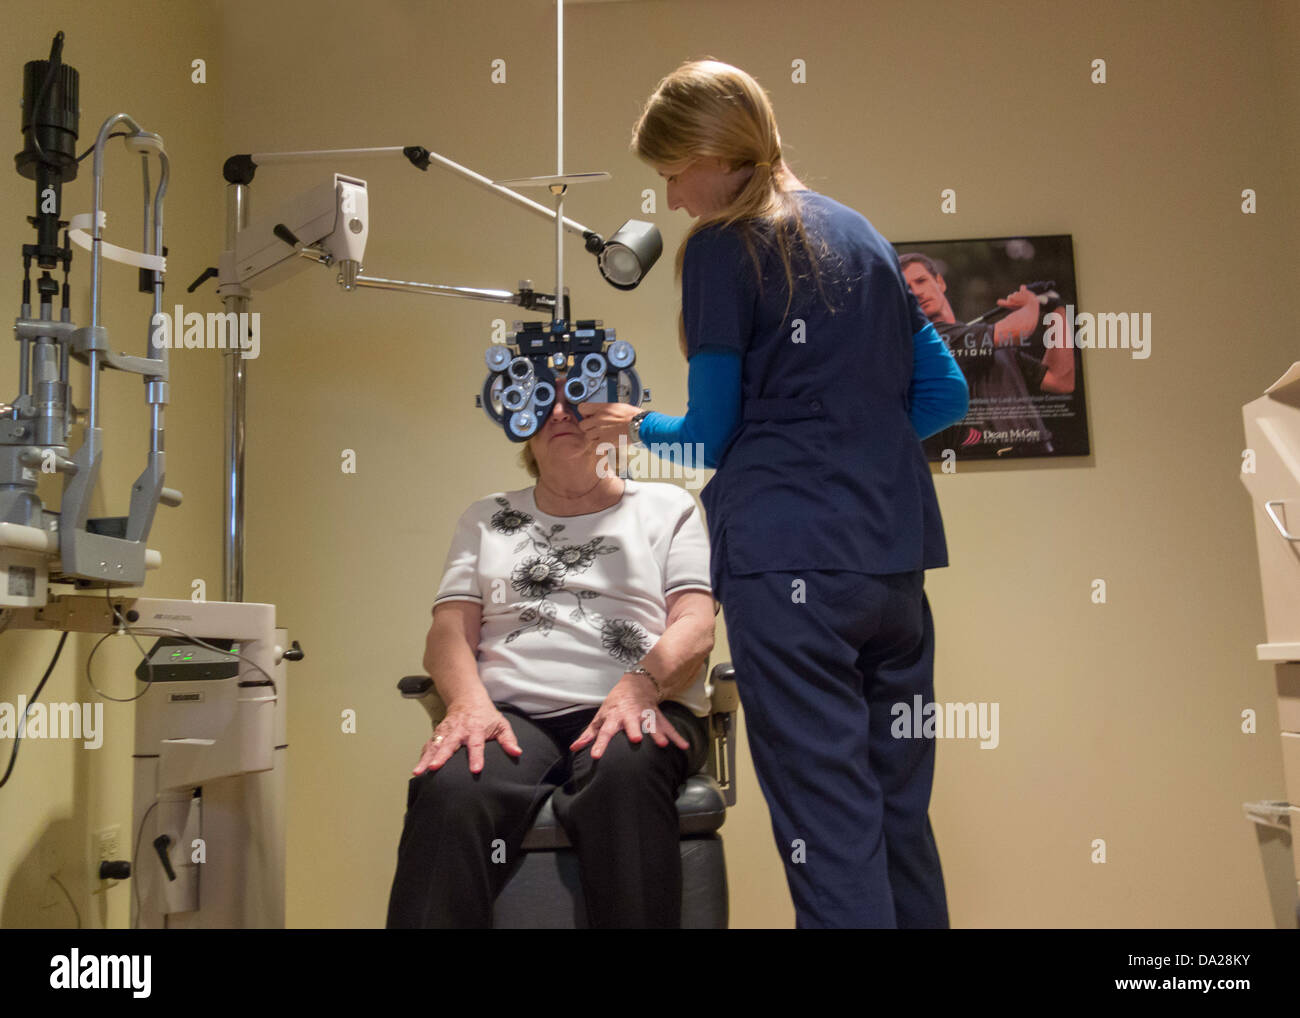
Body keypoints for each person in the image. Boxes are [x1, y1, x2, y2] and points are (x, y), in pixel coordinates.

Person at [576, 59, 969, 928]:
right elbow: (948, 399)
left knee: (827, 829)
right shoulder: (861, 234)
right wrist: (848, 446)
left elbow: (708, 434)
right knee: (898, 817)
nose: (674, 199)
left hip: (789, 569)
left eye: (674, 173)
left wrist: (634, 425)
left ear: (715, 154)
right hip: (893, 564)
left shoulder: (725, 244)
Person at [385, 387, 716, 929]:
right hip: (514, 716)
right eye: (543, 402)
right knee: (451, 788)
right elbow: (448, 630)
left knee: (623, 771)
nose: (561, 412)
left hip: (639, 699)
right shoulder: (486, 517)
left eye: (579, 400)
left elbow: (696, 624)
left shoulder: (667, 506)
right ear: (519, 425)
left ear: (611, 420)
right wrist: (467, 703)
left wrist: (640, 686)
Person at [900, 252, 1071, 457]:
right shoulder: (931, 342)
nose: (917, 292)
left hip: (1038, 454)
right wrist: (1031, 302)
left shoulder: (985, 338)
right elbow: (1019, 329)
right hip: (987, 460)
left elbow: (1060, 380)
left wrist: (1057, 311)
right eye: (908, 289)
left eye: (921, 281)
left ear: (940, 282)